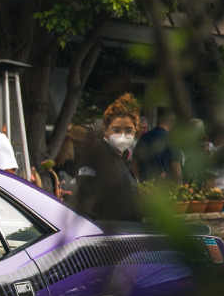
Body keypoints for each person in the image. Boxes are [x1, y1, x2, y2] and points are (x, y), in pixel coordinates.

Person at [73, 94, 142, 223]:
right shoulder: (97, 159)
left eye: (128, 130)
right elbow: (87, 206)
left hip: (128, 237)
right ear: (106, 130)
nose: (123, 135)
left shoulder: (123, 159)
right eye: (116, 130)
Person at [133, 108, 183, 181]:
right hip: (164, 189)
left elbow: (134, 164)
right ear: (172, 121)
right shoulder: (171, 140)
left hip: (145, 187)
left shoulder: (143, 138)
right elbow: (176, 168)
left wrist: (140, 182)